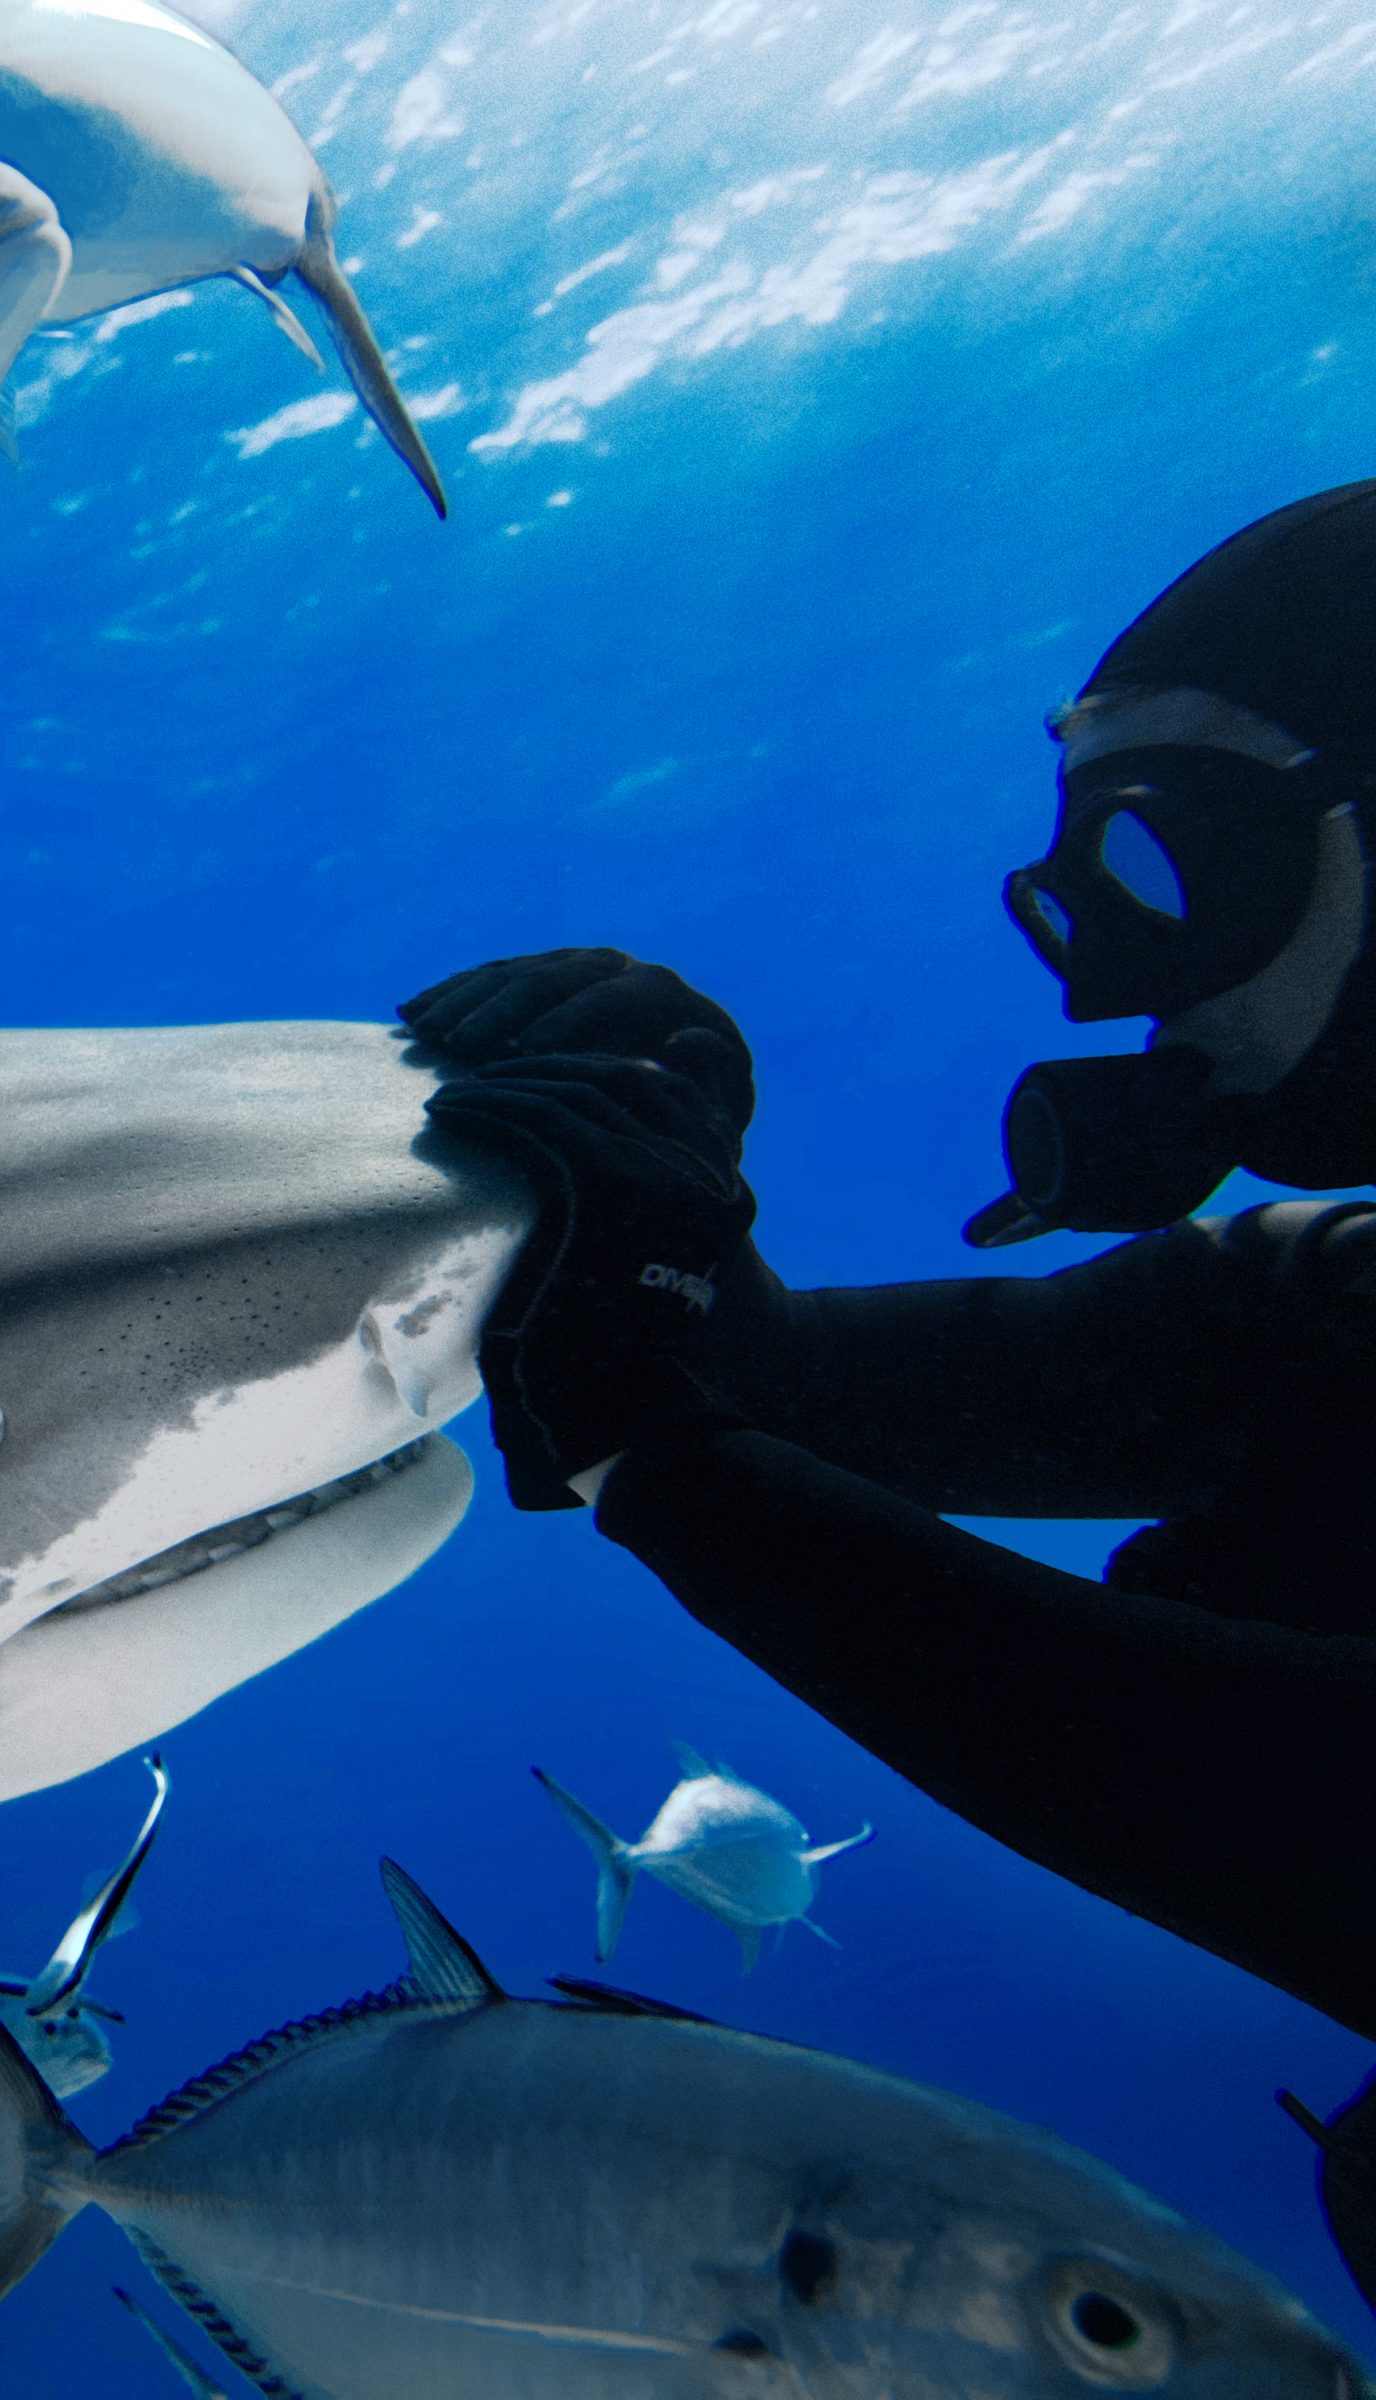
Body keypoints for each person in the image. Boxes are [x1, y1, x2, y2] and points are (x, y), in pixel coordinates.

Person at [400, 482, 1373, 2301]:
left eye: (1176, 864)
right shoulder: (1337, 1303)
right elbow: (836, 1390)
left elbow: (1320, 1805)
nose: (1114, 982)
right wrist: (680, 1169)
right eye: (1081, 888)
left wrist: (659, 1465)